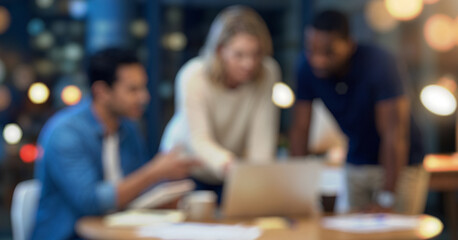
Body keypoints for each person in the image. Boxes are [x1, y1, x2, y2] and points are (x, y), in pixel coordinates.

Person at [32, 48, 199, 240]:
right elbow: (90, 201)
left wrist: (167, 186)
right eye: (133, 90)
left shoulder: (128, 129)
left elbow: (137, 188)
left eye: (143, 88)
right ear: (102, 92)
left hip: (119, 233)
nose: (144, 97)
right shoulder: (66, 133)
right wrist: (155, 171)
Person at [290, 10, 428, 214]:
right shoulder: (306, 68)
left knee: (395, 232)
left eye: (328, 52)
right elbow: (300, 129)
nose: (318, 60)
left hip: (401, 165)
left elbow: (393, 135)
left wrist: (387, 197)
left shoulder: (380, 63)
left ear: (349, 44)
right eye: (312, 50)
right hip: (356, 162)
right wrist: (297, 191)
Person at [160, 6, 280, 200]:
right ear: (219, 50)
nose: (249, 64)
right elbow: (199, 140)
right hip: (186, 169)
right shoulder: (193, 76)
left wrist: (259, 178)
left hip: (230, 171)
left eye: (256, 54)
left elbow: (262, 141)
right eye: (239, 55)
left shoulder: (268, 73)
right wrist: (234, 168)